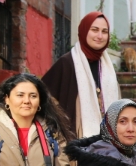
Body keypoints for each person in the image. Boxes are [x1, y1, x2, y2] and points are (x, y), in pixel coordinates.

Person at [42, 11, 122, 140]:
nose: (100, 36)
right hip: (74, 141)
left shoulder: (108, 68)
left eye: (104, 31)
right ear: (84, 31)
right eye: (94, 30)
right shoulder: (67, 63)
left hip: (108, 144)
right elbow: (45, 99)